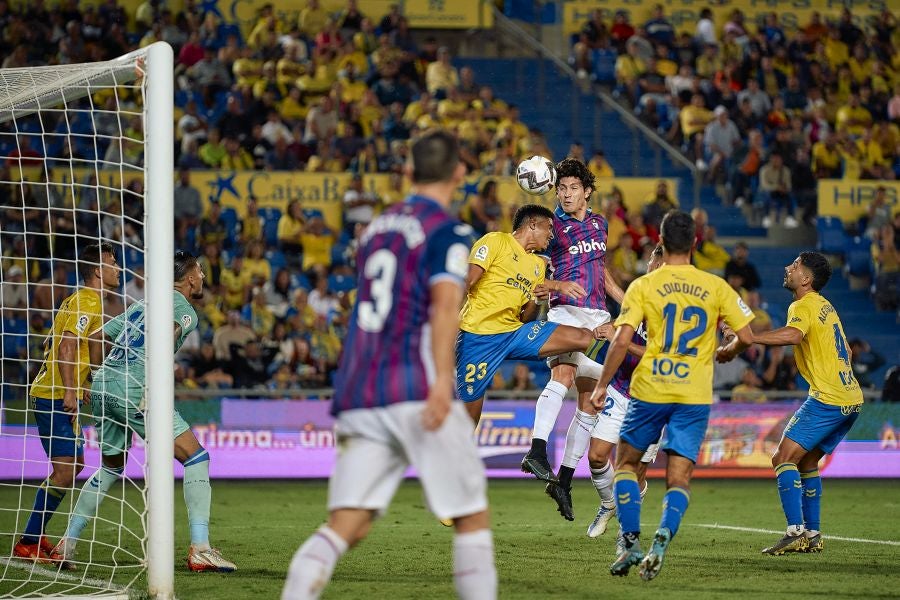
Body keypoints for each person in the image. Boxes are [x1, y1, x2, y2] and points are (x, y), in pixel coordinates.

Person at [282, 130, 496, 600]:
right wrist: (444, 380)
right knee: (471, 517)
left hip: (360, 388)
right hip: (415, 387)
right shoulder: (450, 232)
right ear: (459, 174)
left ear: (406, 172)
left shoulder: (375, 229)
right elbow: (444, 309)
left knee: (346, 526)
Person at [590, 210, 754, 580]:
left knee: (627, 466)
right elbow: (747, 335)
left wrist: (601, 386)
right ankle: (662, 536)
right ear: (695, 244)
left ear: (661, 243)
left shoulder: (645, 286)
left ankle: (630, 542)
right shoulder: (716, 286)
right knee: (678, 479)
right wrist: (729, 351)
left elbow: (620, 340)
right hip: (694, 395)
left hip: (650, 390)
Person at [53, 252, 237, 573]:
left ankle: (66, 543)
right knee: (196, 458)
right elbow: (166, 334)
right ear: (190, 277)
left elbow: (97, 337)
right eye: (201, 272)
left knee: (110, 467)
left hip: (104, 384)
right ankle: (201, 548)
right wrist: (154, 373)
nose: (204, 278)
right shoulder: (182, 308)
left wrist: (98, 375)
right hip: (137, 386)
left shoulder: (141, 305)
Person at [730, 252, 863, 555]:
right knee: (806, 462)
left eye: (795, 265)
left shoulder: (801, 305)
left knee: (782, 459)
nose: (788, 268)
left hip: (827, 398)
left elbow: (792, 335)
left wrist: (751, 337)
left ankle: (795, 532)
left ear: (806, 279)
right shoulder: (825, 307)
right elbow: (848, 354)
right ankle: (813, 535)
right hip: (850, 398)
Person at [517, 157, 625, 524]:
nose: (566, 194)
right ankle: (537, 449)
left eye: (573, 188)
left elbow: (601, 269)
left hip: (598, 317)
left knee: (591, 403)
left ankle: (563, 480)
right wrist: (548, 287)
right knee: (560, 377)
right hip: (564, 314)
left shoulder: (599, 224)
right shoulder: (551, 227)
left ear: (587, 192)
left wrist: (628, 303)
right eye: (561, 188)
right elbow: (530, 271)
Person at [12, 244, 120, 564]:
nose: (117, 268)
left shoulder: (81, 299)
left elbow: (77, 345)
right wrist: (71, 391)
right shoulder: (87, 299)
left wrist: (83, 383)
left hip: (58, 392)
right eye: (112, 263)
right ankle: (28, 542)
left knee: (73, 466)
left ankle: (35, 537)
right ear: (98, 270)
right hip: (53, 395)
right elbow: (68, 345)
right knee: (65, 469)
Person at [457, 202, 606, 427]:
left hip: (513, 333)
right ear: (533, 224)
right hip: (478, 338)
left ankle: (627, 372)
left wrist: (539, 300)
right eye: (549, 228)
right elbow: (467, 282)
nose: (552, 235)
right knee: (467, 426)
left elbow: (526, 318)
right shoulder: (495, 240)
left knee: (584, 337)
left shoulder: (537, 265)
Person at [585, 244, 664, 541]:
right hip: (620, 389)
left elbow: (655, 353)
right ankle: (608, 504)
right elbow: (624, 323)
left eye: (660, 260)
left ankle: (626, 526)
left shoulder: (671, 307)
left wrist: (618, 337)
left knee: (634, 471)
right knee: (596, 456)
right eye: (654, 258)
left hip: (651, 399)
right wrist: (611, 327)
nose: (653, 264)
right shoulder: (638, 292)